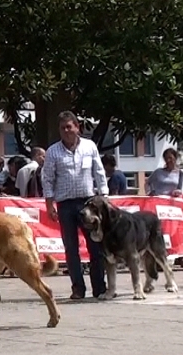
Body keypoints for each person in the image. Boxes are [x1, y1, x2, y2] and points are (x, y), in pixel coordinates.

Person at [41, 110, 109, 300]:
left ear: (77, 127)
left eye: (69, 127)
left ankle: (99, 288)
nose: (66, 131)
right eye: (62, 128)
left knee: (95, 246)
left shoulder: (90, 146)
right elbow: (47, 179)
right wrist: (49, 205)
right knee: (71, 249)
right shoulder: (53, 152)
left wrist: (103, 196)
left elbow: (99, 172)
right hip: (65, 205)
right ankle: (78, 288)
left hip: (89, 202)